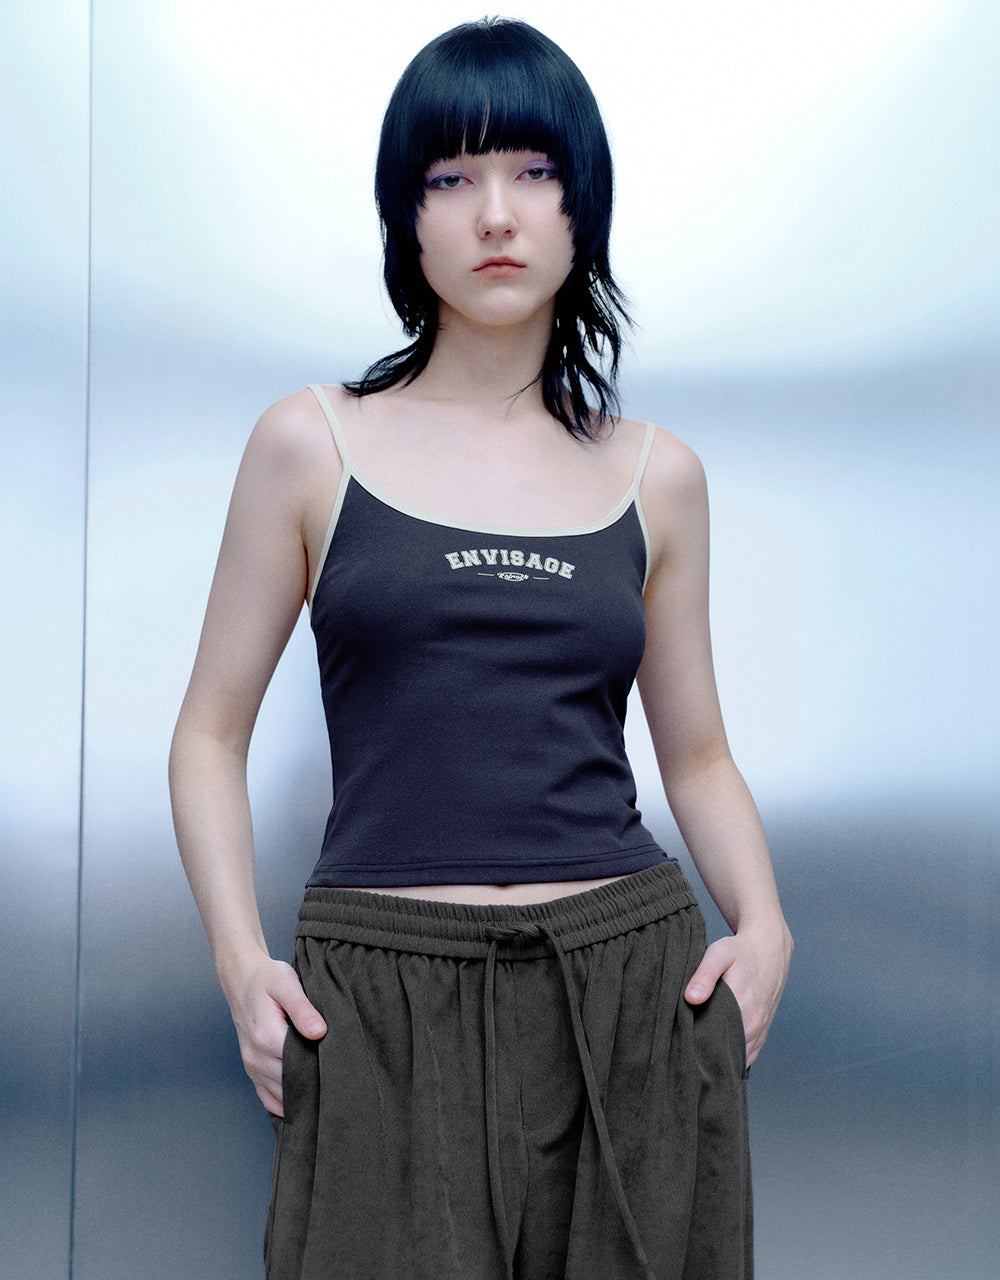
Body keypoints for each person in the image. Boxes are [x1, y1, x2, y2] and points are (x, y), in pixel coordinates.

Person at [169, 16, 792, 1280]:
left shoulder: (657, 475)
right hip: (380, 996)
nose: (495, 214)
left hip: (623, 982)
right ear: (405, 218)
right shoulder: (309, 444)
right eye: (450, 178)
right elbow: (208, 736)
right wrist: (241, 965)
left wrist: (767, 922)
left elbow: (698, 755)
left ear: (581, 205)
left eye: (533, 171)